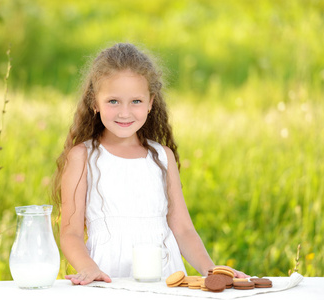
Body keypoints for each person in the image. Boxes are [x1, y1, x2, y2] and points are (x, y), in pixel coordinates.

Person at [52, 43, 248, 285]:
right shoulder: (83, 157)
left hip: (162, 277)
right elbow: (70, 233)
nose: (125, 113)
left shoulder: (161, 157)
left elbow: (183, 229)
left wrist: (211, 269)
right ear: (95, 102)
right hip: (107, 278)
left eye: (136, 101)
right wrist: (89, 268)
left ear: (150, 102)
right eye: (113, 101)